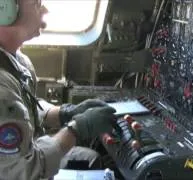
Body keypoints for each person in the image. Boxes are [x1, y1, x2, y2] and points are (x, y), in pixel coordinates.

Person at [0, 0, 117, 179]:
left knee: (90, 158)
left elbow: (24, 107)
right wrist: (76, 129)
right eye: (36, 3)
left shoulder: (16, 59)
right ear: (5, 9)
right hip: (19, 170)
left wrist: (62, 113)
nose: (45, 10)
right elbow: (25, 171)